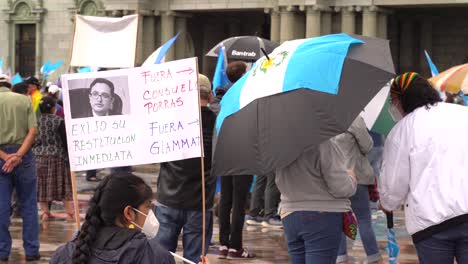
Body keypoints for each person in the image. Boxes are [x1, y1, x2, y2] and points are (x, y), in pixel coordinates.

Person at [380, 72, 468, 264]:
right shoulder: (463, 114)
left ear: (403, 99)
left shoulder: (402, 130)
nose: (393, 107)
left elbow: (395, 183)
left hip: (431, 225)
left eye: (393, 101)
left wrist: (387, 203)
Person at [154, 74, 217, 263]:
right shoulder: (218, 123)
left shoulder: (168, 120)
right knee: (195, 260)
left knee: (160, 257)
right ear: (211, 96)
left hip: (168, 198)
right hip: (200, 202)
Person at [50, 173, 175, 264]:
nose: (151, 214)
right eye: (148, 208)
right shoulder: (155, 256)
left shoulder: (63, 255)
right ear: (129, 213)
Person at [276, 137, 357, 263]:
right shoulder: (323, 142)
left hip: (289, 214)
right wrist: (351, 177)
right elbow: (341, 188)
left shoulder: (280, 145)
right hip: (322, 215)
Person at [215, 61, 255, 259]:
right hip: (242, 152)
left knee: (226, 200)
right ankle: (236, 246)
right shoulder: (247, 94)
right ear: (242, 75)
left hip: (224, 151)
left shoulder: (222, 96)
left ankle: (224, 243)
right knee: (239, 202)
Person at [0, 74, 40, 262]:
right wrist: (18, 156)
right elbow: (33, 132)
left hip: (1, 157)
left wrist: (6, 156)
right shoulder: (24, 100)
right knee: (29, 205)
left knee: (1, 206)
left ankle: (2, 251)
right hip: (24, 156)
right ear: (9, 85)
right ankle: (31, 251)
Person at [335, 116, 382, 264]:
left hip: (335, 177)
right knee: (363, 220)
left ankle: (341, 257)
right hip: (356, 176)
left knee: (339, 220)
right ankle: (373, 256)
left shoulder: (327, 118)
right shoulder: (354, 118)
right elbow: (367, 145)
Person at [34, 96, 76, 222]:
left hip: (38, 157)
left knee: (42, 186)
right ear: (53, 108)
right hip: (58, 157)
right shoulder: (59, 121)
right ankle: (70, 213)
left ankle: (46, 212)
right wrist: (71, 157)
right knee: (63, 186)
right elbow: (65, 141)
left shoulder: (35, 122)